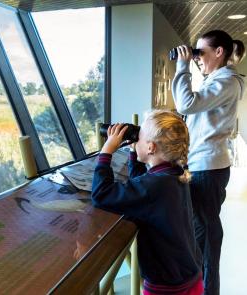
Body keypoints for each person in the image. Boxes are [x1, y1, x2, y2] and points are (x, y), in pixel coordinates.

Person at [91, 110, 203, 295]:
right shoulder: (174, 174)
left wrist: (106, 152)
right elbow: (141, 183)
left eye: (139, 137)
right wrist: (134, 152)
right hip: (190, 275)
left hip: (167, 286)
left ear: (151, 147)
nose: (136, 140)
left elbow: (102, 194)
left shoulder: (154, 186)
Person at [172, 30, 245, 295]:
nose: (197, 58)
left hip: (207, 168)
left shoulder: (226, 81)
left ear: (219, 52)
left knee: (204, 238)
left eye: (200, 53)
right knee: (203, 232)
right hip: (206, 165)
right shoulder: (217, 80)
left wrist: (182, 67)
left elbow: (186, 103)